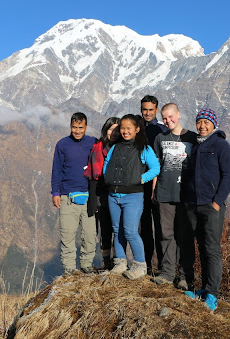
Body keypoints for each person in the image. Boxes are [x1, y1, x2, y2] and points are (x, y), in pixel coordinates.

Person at [180, 108, 230, 311]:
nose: (202, 126)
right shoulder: (195, 147)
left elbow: (229, 176)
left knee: (212, 249)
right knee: (201, 247)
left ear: (214, 124)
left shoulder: (221, 146)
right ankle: (203, 289)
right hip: (193, 205)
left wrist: (217, 202)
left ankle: (213, 294)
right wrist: (187, 199)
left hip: (211, 206)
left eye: (206, 123)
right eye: (199, 122)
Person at [103, 114, 160, 280]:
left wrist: (141, 179)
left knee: (130, 231)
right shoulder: (116, 147)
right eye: (122, 128)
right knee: (117, 230)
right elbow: (107, 164)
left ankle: (140, 265)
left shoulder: (144, 148)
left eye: (129, 128)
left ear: (137, 129)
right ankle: (120, 262)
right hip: (113, 194)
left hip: (133, 196)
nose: (125, 131)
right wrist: (109, 178)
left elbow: (155, 168)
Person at [151, 103, 197, 289]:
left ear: (178, 114)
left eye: (171, 116)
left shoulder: (191, 137)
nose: (167, 120)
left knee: (185, 236)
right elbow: (156, 166)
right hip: (164, 193)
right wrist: (154, 190)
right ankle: (168, 273)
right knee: (165, 234)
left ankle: (186, 276)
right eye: (164, 118)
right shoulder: (160, 138)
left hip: (185, 195)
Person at [51, 112, 97, 274]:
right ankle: (69, 269)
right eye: (74, 127)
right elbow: (56, 169)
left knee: (90, 235)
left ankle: (86, 265)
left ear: (86, 127)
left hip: (89, 197)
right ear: (70, 126)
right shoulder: (62, 145)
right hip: (67, 197)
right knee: (68, 235)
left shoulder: (93, 143)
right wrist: (55, 192)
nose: (77, 131)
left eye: (80, 127)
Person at [84, 117, 120, 270]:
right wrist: (93, 198)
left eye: (116, 130)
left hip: (118, 194)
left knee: (118, 229)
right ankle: (106, 262)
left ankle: (118, 260)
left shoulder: (122, 148)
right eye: (110, 129)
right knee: (105, 230)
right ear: (105, 130)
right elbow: (93, 175)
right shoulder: (97, 148)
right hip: (102, 195)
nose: (113, 133)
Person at [140, 95, 167, 273]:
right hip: (140, 184)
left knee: (160, 227)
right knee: (144, 227)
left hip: (158, 184)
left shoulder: (163, 131)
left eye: (151, 109)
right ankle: (147, 265)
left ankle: (164, 267)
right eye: (145, 109)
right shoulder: (137, 128)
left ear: (156, 109)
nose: (148, 113)